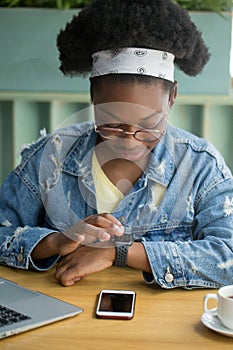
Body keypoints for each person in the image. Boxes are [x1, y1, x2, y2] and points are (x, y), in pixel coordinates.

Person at [0, 0, 233, 289]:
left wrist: (120, 252)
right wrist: (54, 242)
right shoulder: (51, 157)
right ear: (92, 96)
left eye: (148, 125)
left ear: (172, 96)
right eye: (112, 123)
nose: (129, 139)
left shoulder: (201, 167)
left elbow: (228, 256)